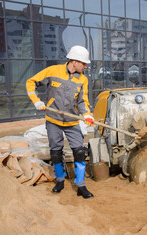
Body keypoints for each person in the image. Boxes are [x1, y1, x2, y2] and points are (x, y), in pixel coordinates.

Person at [26, 45, 94, 199]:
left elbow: (83, 101)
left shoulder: (83, 80)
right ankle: (60, 180)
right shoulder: (53, 71)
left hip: (72, 121)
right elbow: (30, 82)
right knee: (55, 153)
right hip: (53, 119)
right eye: (84, 63)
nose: (85, 66)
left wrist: (87, 115)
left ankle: (81, 185)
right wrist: (36, 101)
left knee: (79, 152)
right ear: (74, 62)